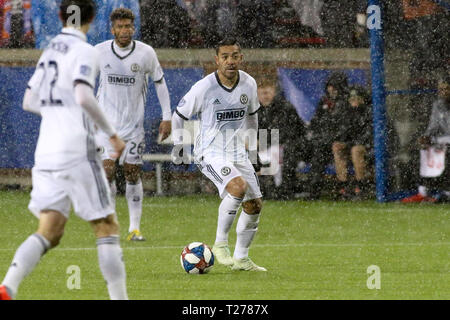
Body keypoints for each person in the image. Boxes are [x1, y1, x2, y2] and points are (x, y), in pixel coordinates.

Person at [0, 0, 128, 300]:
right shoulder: (85, 51)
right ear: (93, 19)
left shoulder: (49, 52)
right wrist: (112, 135)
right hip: (77, 149)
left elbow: (29, 102)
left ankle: (8, 287)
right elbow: (83, 96)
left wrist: (58, 115)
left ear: (60, 16)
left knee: (51, 229)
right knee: (106, 225)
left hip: (46, 150)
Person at [171, 37, 266, 271]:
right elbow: (179, 116)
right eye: (225, 57)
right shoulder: (204, 87)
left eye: (234, 56)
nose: (230, 61)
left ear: (241, 58)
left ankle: (241, 259)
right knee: (237, 186)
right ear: (217, 60)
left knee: (254, 205)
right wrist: (180, 146)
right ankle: (220, 244)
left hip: (237, 151)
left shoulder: (249, 84)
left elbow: (253, 117)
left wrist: (253, 151)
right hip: (209, 151)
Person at [95, 8, 172, 241]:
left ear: (133, 27)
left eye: (128, 26)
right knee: (107, 172)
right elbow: (85, 82)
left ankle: (135, 228)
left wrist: (166, 116)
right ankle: (110, 225)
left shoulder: (145, 53)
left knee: (131, 173)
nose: (124, 30)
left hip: (134, 127)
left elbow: (159, 82)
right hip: (106, 126)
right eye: (120, 26)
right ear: (112, 29)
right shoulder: (99, 52)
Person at [402, 72, 450, 203]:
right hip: (442, 142)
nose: (443, 92)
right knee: (420, 150)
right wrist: (426, 137)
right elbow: (433, 126)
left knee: (448, 153)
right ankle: (423, 192)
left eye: (446, 89)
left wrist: (436, 140)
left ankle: (446, 193)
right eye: (441, 89)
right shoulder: (438, 105)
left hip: (445, 143)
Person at [257, 78, 306, 199]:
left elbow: (284, 133)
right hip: (270, 144)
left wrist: (261, 142)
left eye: (267, 92)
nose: (264, 96)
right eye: (261, 93)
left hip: (290, 145)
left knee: (273, 154)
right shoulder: (258, 110)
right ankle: (262, 188)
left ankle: (281, 189)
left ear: (274, 92)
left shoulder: (285, 108)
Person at [307, 71, 350, 199]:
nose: (331, 90)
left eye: (334, 87)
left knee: (323, 151)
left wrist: (332, 138)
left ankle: (341, 189)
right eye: (329, 86)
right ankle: (312, 188)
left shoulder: (346, 104)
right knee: (316, 152)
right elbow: (315, 122)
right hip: (323, 141)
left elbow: (346, 127)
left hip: (339, 142)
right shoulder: (324, 102)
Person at [332, 85, 373, 199]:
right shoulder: (348, 113)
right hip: (353, 146)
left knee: (356, 150)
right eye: (351, 99)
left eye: (356, 98)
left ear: (362, 99)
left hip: (371, 148)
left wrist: (348, 144)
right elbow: (345, 133)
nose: (353, 101)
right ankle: (343, 187)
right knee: (337, 148)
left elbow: (368, 136)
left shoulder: (370, 112)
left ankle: (361, 187)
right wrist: (341, 143)